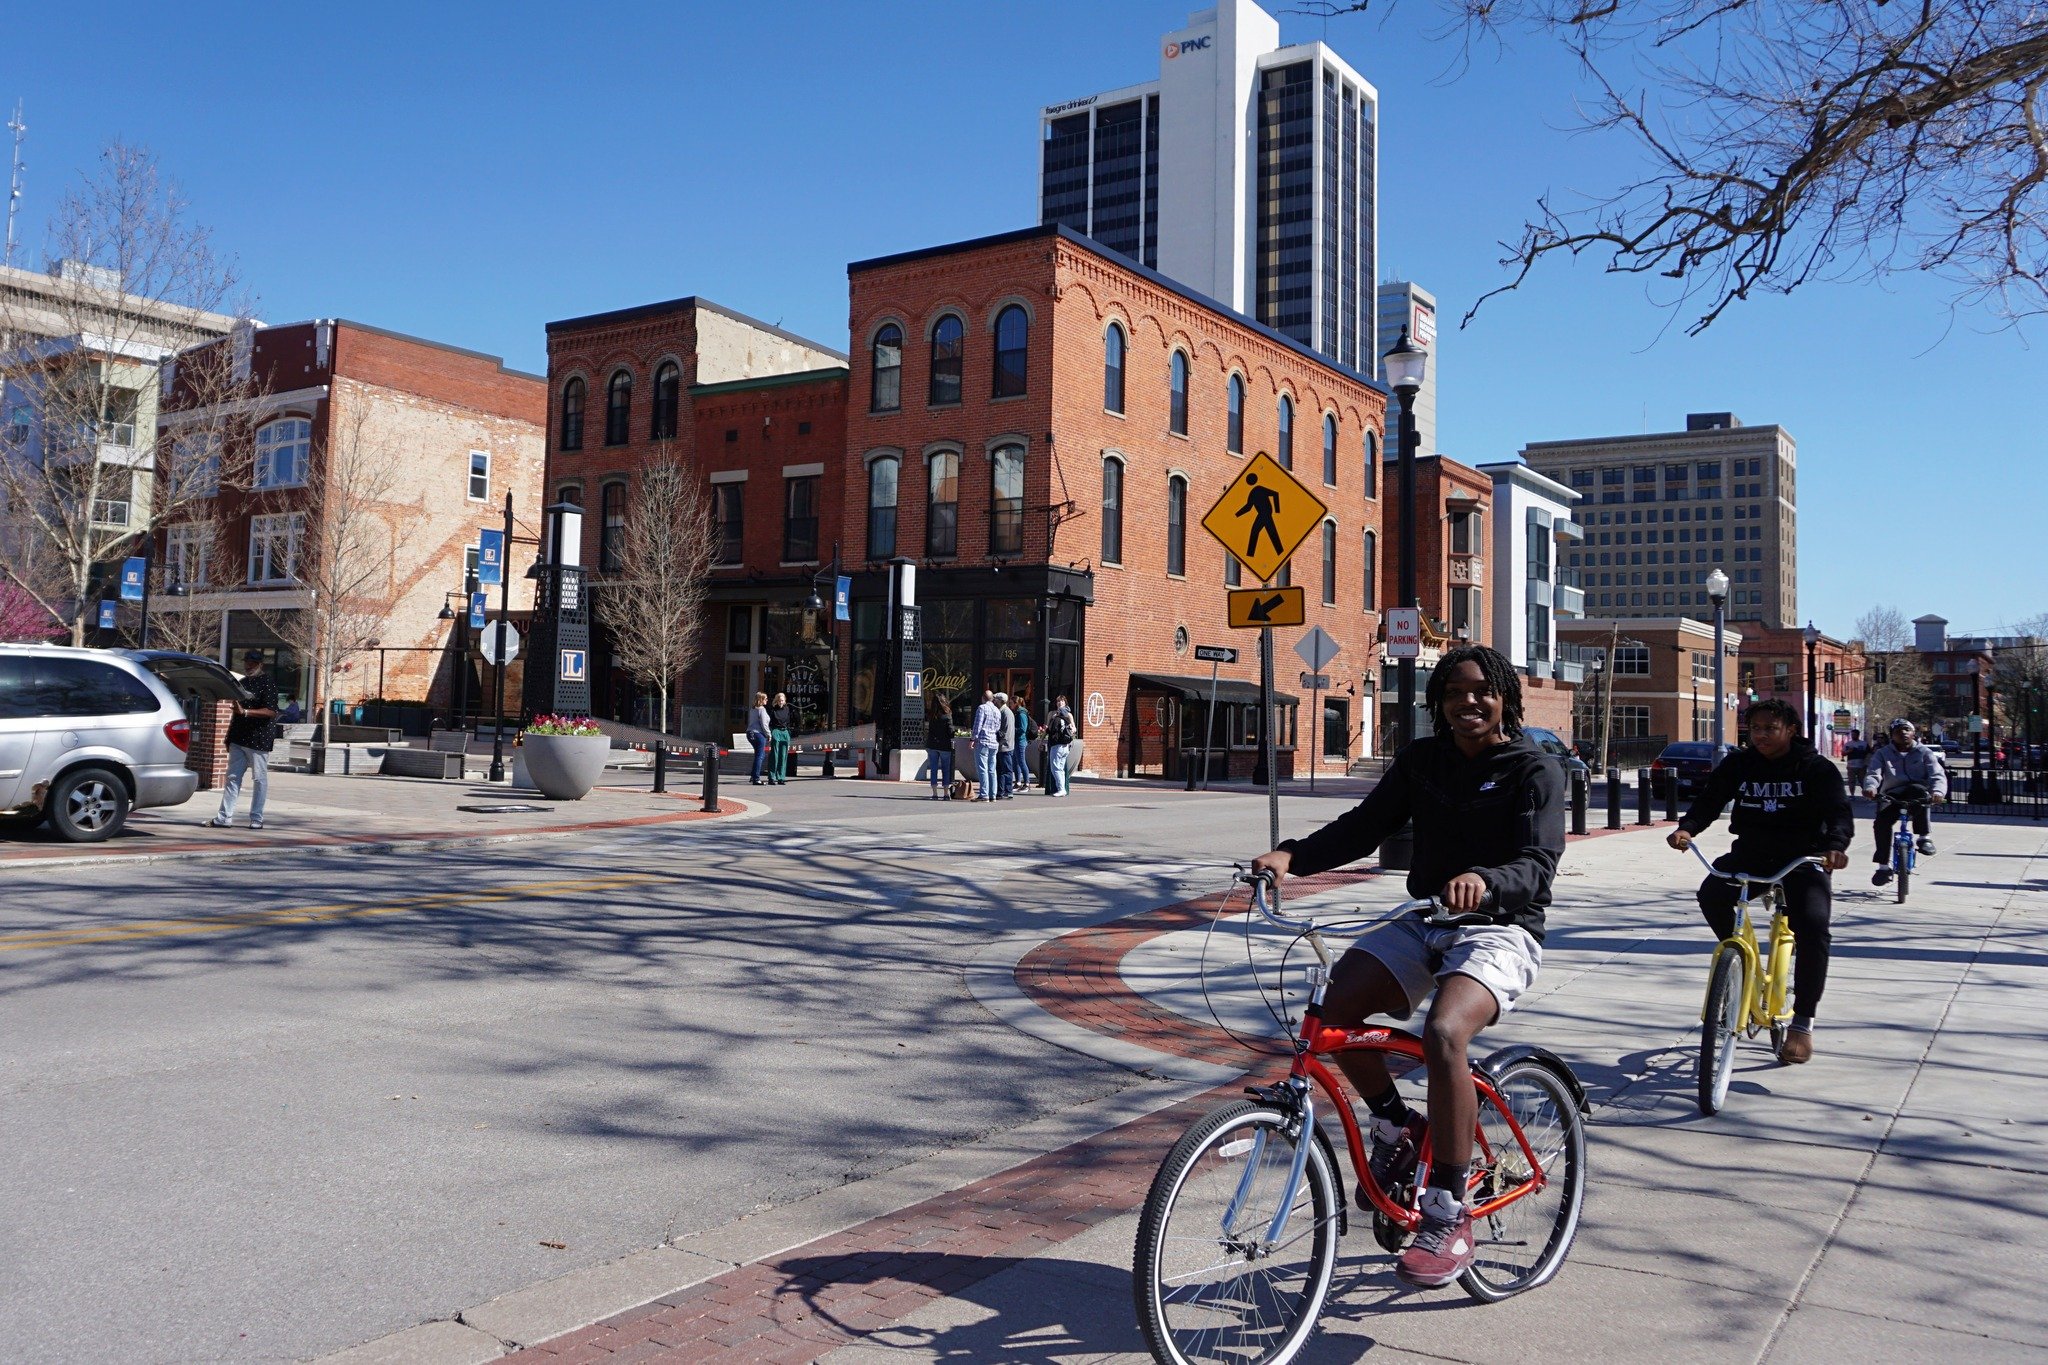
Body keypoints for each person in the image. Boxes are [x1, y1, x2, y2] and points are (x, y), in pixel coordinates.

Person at [1249, 644, 1565, 1288]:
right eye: (1453, 692)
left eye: (1481, 690)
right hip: (1430, 921)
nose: (1467, 701)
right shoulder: (1424, 761)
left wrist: (1485, 879)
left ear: (1504, 696)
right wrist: (1292, 855)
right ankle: (1396, 1124)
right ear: (1437, 703)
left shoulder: (1534, 768)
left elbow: (1538, 863)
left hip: (1502, 927)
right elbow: (1365, 825)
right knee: (1333, 1010)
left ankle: (1448, 1208)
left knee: (1445, 1033)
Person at [1667, 698, 1852, 1065]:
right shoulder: (1739, 763)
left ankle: (1803, 1022)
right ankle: (1739, 961)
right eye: (1755, 729)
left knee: (1814, 926)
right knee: (1713, 892)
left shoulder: (1815, 768)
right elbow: (1710, 800)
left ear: (1791, 730)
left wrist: (1835, 846)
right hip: (1752, 853)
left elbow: (1838, 812)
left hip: (1803, 858)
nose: (1762, 735)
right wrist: (1686, 829)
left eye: (1771, 728)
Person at [1862, 718, 1946, 882]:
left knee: (1921, 793)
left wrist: (1938, 792)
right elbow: (1874, 773)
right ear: (1892, 736)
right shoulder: (1883, 753)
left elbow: (1937, 774)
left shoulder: (1924, 752)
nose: (1903, 734)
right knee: (1881, 824)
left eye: (1907, 730)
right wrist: (1870, 788)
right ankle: (1883, 868)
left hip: (1916, 794)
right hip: (1892, 795)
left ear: (1914, 733)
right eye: (1898, 731)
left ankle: (1924, 838)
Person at [207, 650, 280, 830]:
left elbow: (271, 711)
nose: (248, 666)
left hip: (259, 738)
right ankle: (224, 817)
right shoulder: (242, 683)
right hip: (239, 737)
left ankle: (257, 817)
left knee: (259, 779)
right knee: (232, 777)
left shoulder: (268, 683)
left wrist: (246, 712)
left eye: (253, 663)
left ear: (260, 664)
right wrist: (229, 735)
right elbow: (236, 711)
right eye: (247, 662)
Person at [971, 689, 1002, 800]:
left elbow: (977, 725)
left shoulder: (982, 708)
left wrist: (973, 738)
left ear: (983, 698)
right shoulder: (997, 710)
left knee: (982, 768)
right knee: (992, 769)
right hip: (994, 742)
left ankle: (984, 794)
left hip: (983, 741)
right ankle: (992, 794)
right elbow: (998, 727)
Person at [1044, 695, 1076, 797]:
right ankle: (1060, 788)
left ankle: (1061, 789)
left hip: (1060, 743)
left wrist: (1071, 729)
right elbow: (1048, 728)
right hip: (1061, 744)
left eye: (1061, 701)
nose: (1059, 703)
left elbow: (1073, 729)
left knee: (1057, 768)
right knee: (1059, 768)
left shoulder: (1067, 715)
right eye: (1058, 702)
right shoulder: (1052, 714)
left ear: (1065, 703)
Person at [926, 695, 956, 800]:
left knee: (933, 769)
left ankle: (934, 793)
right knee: (946, 769)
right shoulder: (947, 715)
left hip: (932, 744)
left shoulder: (931, 714)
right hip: (944, 745)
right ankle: (946, 793)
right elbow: (950, 730)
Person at [1011, 695, 1038, 792]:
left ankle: (1026, 783)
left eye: (1011, 703)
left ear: (1016, 703)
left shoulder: (1021, 713)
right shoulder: (1017, 713)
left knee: (1021, 761)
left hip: (1021, 740)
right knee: (1016, 762)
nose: (1010, 705)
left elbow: (1023, 728)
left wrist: (1012, 729)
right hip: (1017, 740)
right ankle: (1018, 782)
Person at [767, 692, 795, 785]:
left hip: (785, 731)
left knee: (783, 755)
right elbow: (769, 722)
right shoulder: (773, 710)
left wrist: (789, 731)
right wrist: (771, 732)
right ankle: (772, 777)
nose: (780, 702)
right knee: (774, 755)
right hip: (776, 730)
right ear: (776, 701)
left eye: (782, 700)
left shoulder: (787, 709)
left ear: (785, 701)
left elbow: (789, 721)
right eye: (779, 700)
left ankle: (781, 777)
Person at [994, 691, 1018, 798]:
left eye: (996, 699)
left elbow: (1005, 732)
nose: (994, 701)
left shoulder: (1006, 713)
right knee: (1000, 770)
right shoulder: (1002, 711)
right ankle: (1001, 790)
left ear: (1001, 701)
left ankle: (1008, 791)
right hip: (1002, 746)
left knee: (1006, 770)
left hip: (1005, 747)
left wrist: (999, 740)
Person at [746, 692, 772, 786]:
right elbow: (764, 724)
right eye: (765, 699)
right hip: (758, 734)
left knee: (757, 755)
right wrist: (769, 734)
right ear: (761, 700)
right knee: (760, 755)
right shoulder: (762, 710)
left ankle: (753, 775)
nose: (767, 700)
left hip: (750, 733)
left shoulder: (752, 709)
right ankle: (756, 778)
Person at [1843, 728, 1868, 796]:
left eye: (1854, 734)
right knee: (1851, 781)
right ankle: (1852, 795)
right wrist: (1849, 751)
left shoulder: (1864, 744)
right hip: (1851, 766)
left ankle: (1866, 795)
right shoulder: (1848, 744)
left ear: (1858, 735)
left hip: (1861, 766)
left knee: (1863, 781)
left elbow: (1870, 753)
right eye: (1852, 734)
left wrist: (1867, 763)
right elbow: (1843, 753)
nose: (1853, 736)